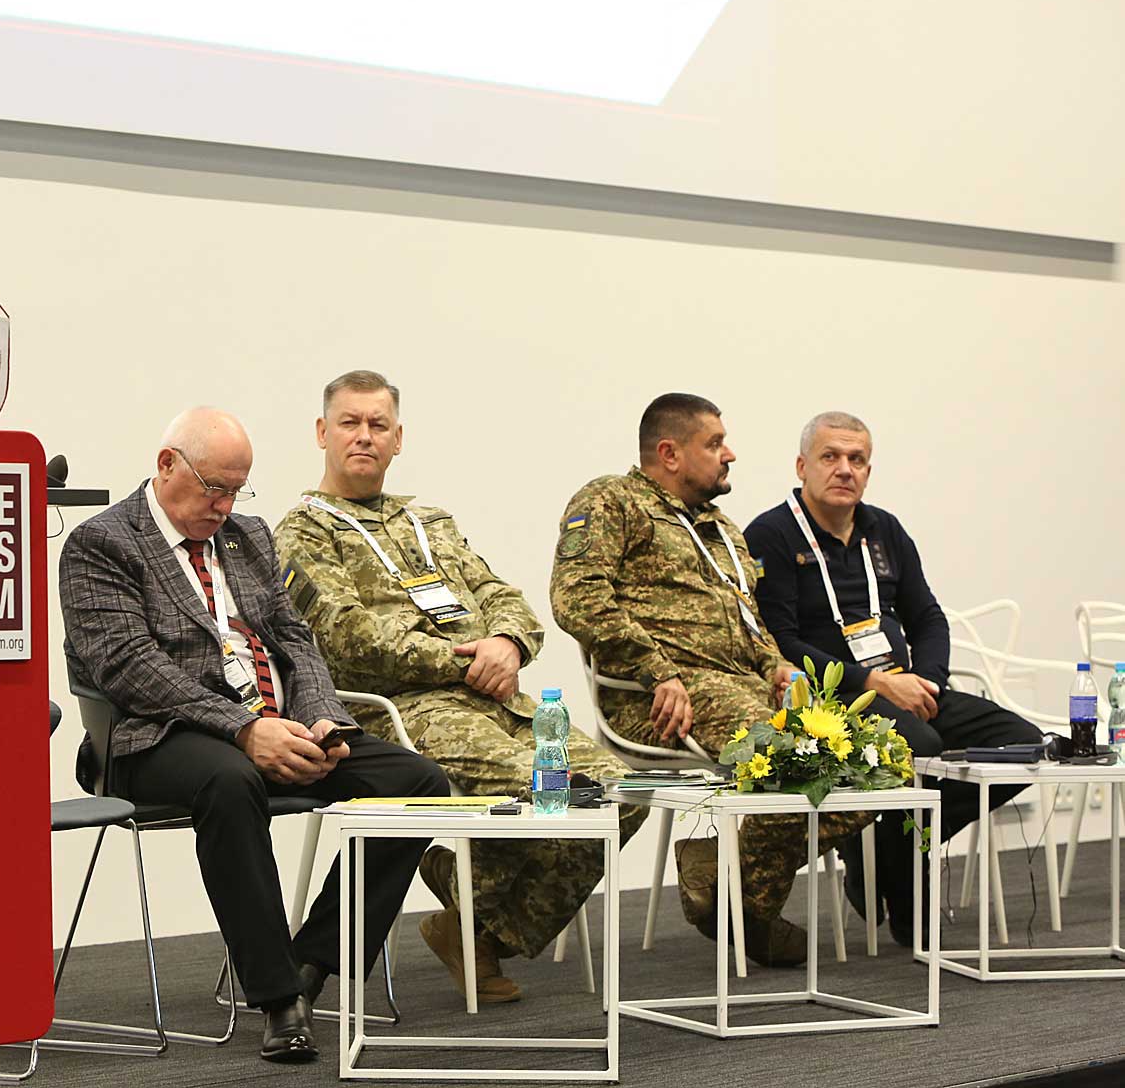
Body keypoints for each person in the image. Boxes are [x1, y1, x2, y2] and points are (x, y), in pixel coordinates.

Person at [58, 407, 448, 1064]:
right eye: (214, 488)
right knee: (231, 780)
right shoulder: (102, 543)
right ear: (166, 465)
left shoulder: (248, 537)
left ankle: (310, 963)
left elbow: (294, 638)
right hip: (156, 738)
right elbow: (128, 667)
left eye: (237, 490)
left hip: (274, 724)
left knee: (417, 781)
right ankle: (278, 1000)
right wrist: (245, 730)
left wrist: (320, 718)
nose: (225, 506)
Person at [273, 370, 648, 1005]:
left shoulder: (430, 521)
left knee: (619, 793)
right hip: (403, 711)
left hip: (498, 701)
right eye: (349, 423)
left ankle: (472, 922)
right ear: (322, 433)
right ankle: (472, 912)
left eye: (378, 425)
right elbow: (346, 639)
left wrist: (509, 643)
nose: (364, 436)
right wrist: (464, 661)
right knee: (552, 789)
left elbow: (503, 596)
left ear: (398, 439)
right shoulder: (304, 531)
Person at [550, 393, 868, 966]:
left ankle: (726, 883)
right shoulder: (611, 501)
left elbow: (751, 621)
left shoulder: (722, 529)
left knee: (870, 767)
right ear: (670, 453)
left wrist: (776, 666)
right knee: (804, 761)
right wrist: (657, 672)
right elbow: (578, 599)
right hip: (661, 699)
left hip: (742, 690)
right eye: (715, 443)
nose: (730, 454)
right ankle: (748, 911)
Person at [744, 411, 1042, 944]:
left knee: (1022, 746)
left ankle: (888, 847)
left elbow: (927, 617)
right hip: (831, 699)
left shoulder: (884, 529)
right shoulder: (771, 534)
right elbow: (780, 641)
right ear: (802, 466)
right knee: (920, 745)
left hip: (906, 689)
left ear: (868, 470)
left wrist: (926, 681)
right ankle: (900, 875)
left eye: (856, 459)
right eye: (830, 457)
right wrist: (876, 683)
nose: (844, 469)